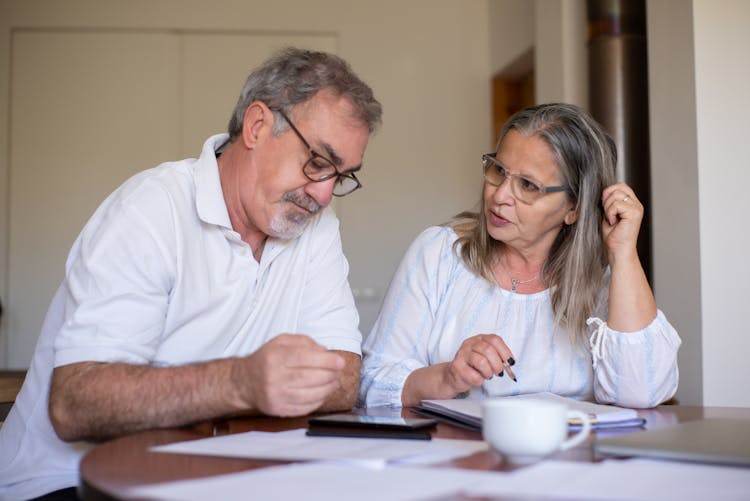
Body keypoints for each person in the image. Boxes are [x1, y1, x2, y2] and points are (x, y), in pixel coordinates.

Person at [0, 47, 382, 500]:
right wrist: (240, 383)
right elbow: (75, 404)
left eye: (340, 177)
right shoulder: (151, 209)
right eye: (318, 162)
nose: (322, 195)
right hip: (67, 482)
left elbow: (342, 378)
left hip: (205, 478)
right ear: (257, 126)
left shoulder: (316, 227)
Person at [358, 103, 680, 410]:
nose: (499, 195)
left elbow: (644, 392)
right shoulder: (439, 254)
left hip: (570, 461)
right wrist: (448, 377)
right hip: (459, 460)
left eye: (528, 185)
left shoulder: (602, 284)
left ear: (574, 209)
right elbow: (371, 383)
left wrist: (623, 254)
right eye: (498, 170)